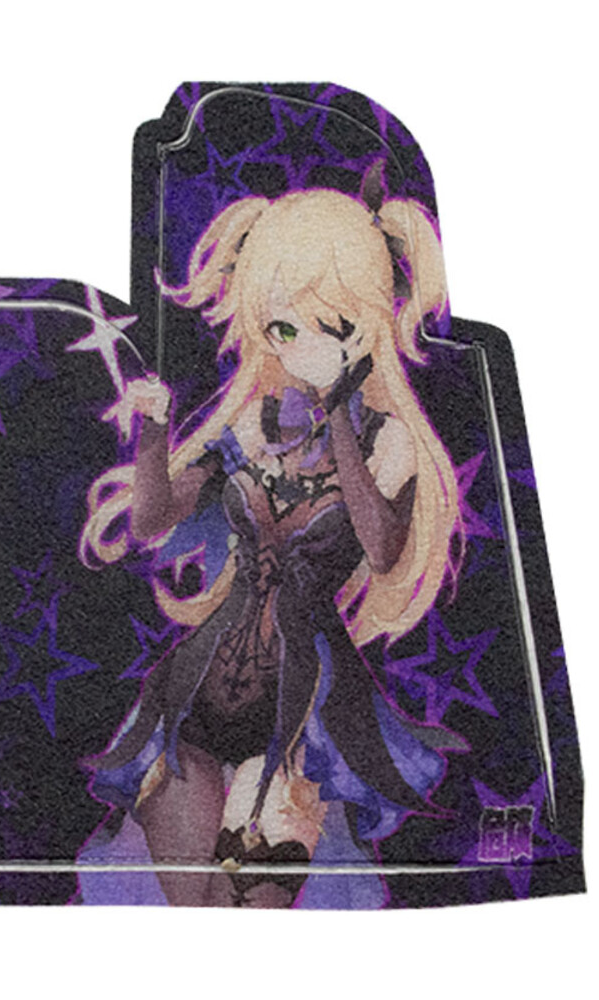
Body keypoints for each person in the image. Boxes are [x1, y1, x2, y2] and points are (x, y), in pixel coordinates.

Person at [79, 166, 464, 907]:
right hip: (195, 695)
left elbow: (383, 551)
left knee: (255, 914)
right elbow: (153, 522)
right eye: (283, 328)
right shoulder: (256, 425)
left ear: (367, 323)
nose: (299, 345)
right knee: (187, 908)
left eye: (328, 324)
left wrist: (342, 408)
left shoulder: (389, 442)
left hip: (302, 714)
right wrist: (154, 433)